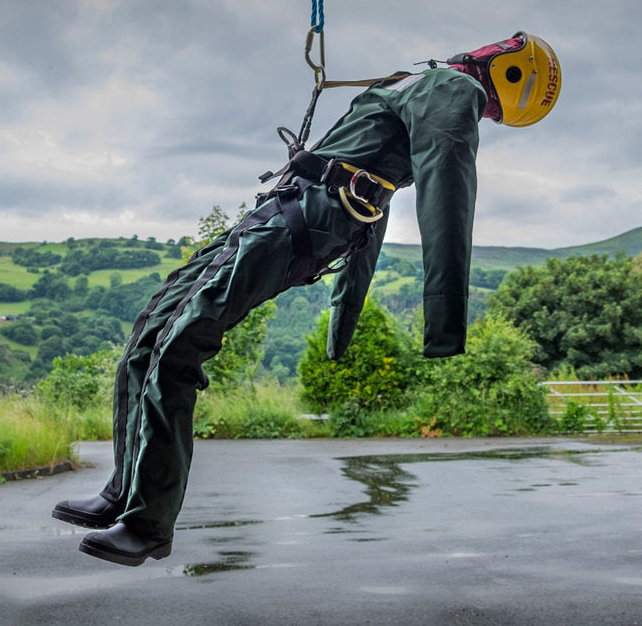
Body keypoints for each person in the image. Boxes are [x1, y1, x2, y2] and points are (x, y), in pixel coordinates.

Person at [51, 31, 561, 566]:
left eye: (502, 49)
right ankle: (123, 491)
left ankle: (147, 522)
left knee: (179, 343)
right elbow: (375, 200)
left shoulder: (453, 91)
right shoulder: (422, 85)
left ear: (509, 68)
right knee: (151, 330)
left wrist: (444, 317)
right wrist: (345, 312)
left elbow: (447, 186)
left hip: (299, 222)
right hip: (283, 213)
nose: (486, 49)